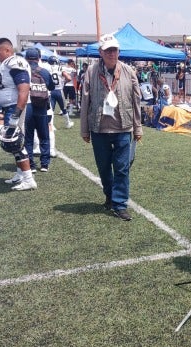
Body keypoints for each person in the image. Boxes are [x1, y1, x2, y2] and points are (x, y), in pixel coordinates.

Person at [80, 33, 142, 221]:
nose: (111, 53)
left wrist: (137, 127)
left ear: (118, 51)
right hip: (99, 128)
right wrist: (84, 129)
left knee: (122, 168)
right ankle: (109, 195)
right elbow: (85, 100)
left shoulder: (129, 71)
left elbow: (136, 99)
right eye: (107, 50)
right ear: (101, 52)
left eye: (114, 50)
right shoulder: (91, 71)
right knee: (104, 167)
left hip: (123, 127)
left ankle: (120, 204)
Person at [0, 37, 37, 190]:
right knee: (12, 143)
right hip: (10, 107)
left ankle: (29, 179)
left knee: (15, 142)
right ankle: (20, 174)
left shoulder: (14, 61)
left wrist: (17, 112)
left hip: (16, 107)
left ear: (7, 50)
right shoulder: (4, 64)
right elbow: (5, 90)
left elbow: (24, 88)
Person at [23, 48, 54, 173]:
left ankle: (31, 165)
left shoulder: (23, 71)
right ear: (38, 58)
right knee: (44, 136)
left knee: (28, 138)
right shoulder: (44, 71)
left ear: (26, 58)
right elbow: (51, 86)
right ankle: (44, 164)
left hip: (28, 106)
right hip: (41, 106)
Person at [47, 56, 74, 128]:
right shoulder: (60, 68)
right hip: (59, 90)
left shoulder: (47, 68)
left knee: (51, 109)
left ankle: (51, 125)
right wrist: (64, 83)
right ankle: (68, 123)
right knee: (63, 108)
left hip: (51, 91)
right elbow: (69, 78)